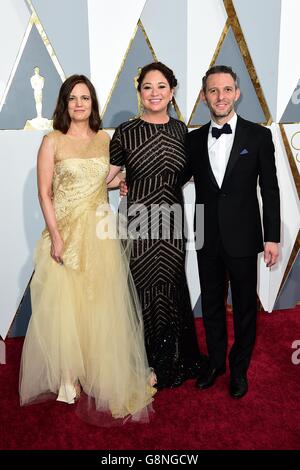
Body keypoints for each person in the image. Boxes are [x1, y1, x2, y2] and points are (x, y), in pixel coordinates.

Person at [19, 74, 155, 426]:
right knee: (68, 307)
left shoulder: (103, 139)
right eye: (73, 98)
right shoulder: (52, 141)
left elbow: (100, 181)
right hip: (65, 234)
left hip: (99, 233)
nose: (79, 104)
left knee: (98, 304)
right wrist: (57, 237)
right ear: (64, 104)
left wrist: (119, 181)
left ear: (93, 103)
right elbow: (44, 193)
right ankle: (69, 376)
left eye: (85, 98)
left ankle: (96, 369)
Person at [107, 62, 205, 390]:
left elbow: (189, 172)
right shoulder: (125, 132)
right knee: (140, 285)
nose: (155, 93)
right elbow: (109, 176)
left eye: (161, 86)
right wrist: (121, 181)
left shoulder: (181, 132)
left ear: (172, 92)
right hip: (137, 221)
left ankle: (171, 360)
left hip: (172, 222)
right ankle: (141, 361)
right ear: (139, 92)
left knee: (170, 283)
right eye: (148, 87)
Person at [184, 65, 280, 398]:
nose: (220, 96)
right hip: (205, 232)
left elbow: (270, 188)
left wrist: (272, 237)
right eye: (213, 90)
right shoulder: (192, 139)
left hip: (244, 234)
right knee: (210, 303)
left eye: (226, 90)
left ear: (237, 93)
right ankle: (215, 363)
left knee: (243, 306)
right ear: (203, 96)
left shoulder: (258, 136)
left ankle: (239, 369)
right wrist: (130, 183)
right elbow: (172, 177)